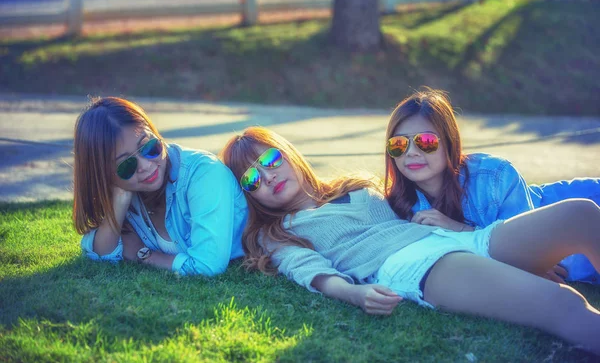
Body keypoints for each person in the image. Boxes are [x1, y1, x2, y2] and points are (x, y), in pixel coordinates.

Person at [220, 126, 600, 355]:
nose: (265, 178)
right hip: (418, 265)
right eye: (251, 180)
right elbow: (311, 272)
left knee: (580, 214)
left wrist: (465, 231)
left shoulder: (357, 186)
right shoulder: (278, 233)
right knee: (562, 303)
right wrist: (355, 294)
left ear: (288, 154)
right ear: (251, 195)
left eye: (268, 161)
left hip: (455, 240)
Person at [384, 88, 600, 284]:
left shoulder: (494, 174)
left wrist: (459, 229)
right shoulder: (399, 206)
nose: (411, 152)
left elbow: (530, 256)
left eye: (426, 141)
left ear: (450, 142)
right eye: (398, 144)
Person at [73, 97, 248, 276]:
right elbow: (100, 253)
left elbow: (207, 266)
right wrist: (119, 203)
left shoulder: (204, 173)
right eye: (127, 165)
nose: (146, 166)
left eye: (149, 147)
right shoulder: (124, 192)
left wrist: (145, 255)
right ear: (102, 173)